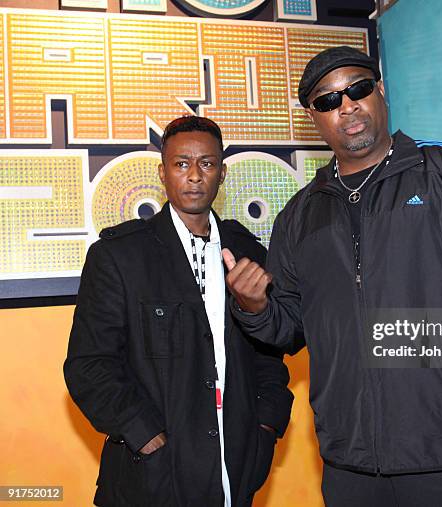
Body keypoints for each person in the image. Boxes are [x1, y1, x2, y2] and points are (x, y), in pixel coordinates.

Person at [222, 46, 442, 506]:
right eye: (328, 100)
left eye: (358, 89)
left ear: (380, 91)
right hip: (352, 467)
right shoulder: (299, 216)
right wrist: (255, 307)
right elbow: (290, 329)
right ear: (313, 117)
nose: (347, 106)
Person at [64, 115, 293, 507]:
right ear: (163, 172)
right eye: (181, 163)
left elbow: (269, 356)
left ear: (221, 174)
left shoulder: (248, 252)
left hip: (235, 466)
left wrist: (264, 425)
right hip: (148, 477)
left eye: (206, 164)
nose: (194, 176)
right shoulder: (119, 256)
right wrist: (144, 435)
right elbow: (89, 365)